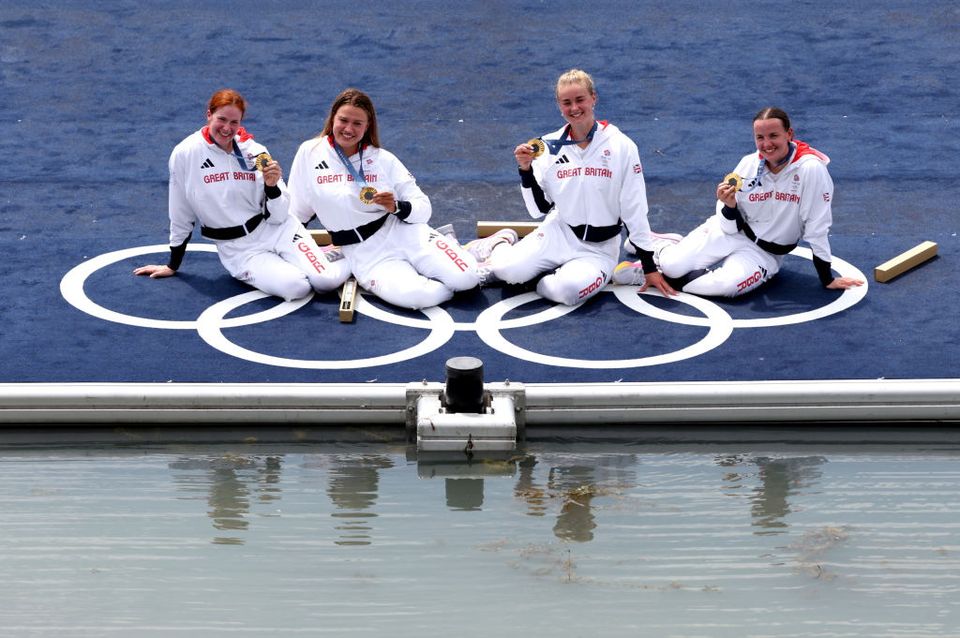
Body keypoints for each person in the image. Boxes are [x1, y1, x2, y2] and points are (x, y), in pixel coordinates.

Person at [466, 68, 673, 306]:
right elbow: (539, 209)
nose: (574, 108)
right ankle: (498, 244)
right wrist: (526, 171)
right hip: (558, 233)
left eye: (580, 100)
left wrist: (649, 266)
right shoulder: (548, 147)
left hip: (599, 249)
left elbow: (634, 209)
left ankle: (544, 276)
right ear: (559, 105)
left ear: (593, 98)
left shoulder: (622, 147)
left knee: (568, 293)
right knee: (506, 271)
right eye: (566, 102)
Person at [614, 107, 865, 296]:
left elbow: (818, 227)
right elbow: (725, 221)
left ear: (789, 134)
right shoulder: (749, 164)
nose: (766, 145)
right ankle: (663, 248)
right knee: (673, 264)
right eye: (759, 138)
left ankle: (662, 273)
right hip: (732, 232)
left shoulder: (811, 170)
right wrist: (729, 206)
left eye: (773, 136)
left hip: (764, 254)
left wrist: (826, 277)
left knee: (723, 287)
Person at [134, 89, 348, 301]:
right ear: (208, 115)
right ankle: (321, 258)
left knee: (324, 282)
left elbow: (281, 215)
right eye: (221, 119)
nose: (227, 128)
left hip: (278, 230)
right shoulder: (186, 154)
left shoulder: (254, 151)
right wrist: (173, 264)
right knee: (297, 288)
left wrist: (272, 187)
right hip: (240, 251)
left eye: (234, 122)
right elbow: (180, 212)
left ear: (241, 123)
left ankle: (355, 256)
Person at [287, 88, 482, 310]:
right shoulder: (309, 153)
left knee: (468, 279)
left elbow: (423, 208)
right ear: (332, 118)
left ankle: (470, 250)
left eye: (358, 123)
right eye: (343, 120)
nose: (349, 129)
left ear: (367, 126)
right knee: (419, 298)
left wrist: (396, 206)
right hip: (363, 253)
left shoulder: (382, 159)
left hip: (402, 232)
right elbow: (297, 211)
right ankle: (445, 253)